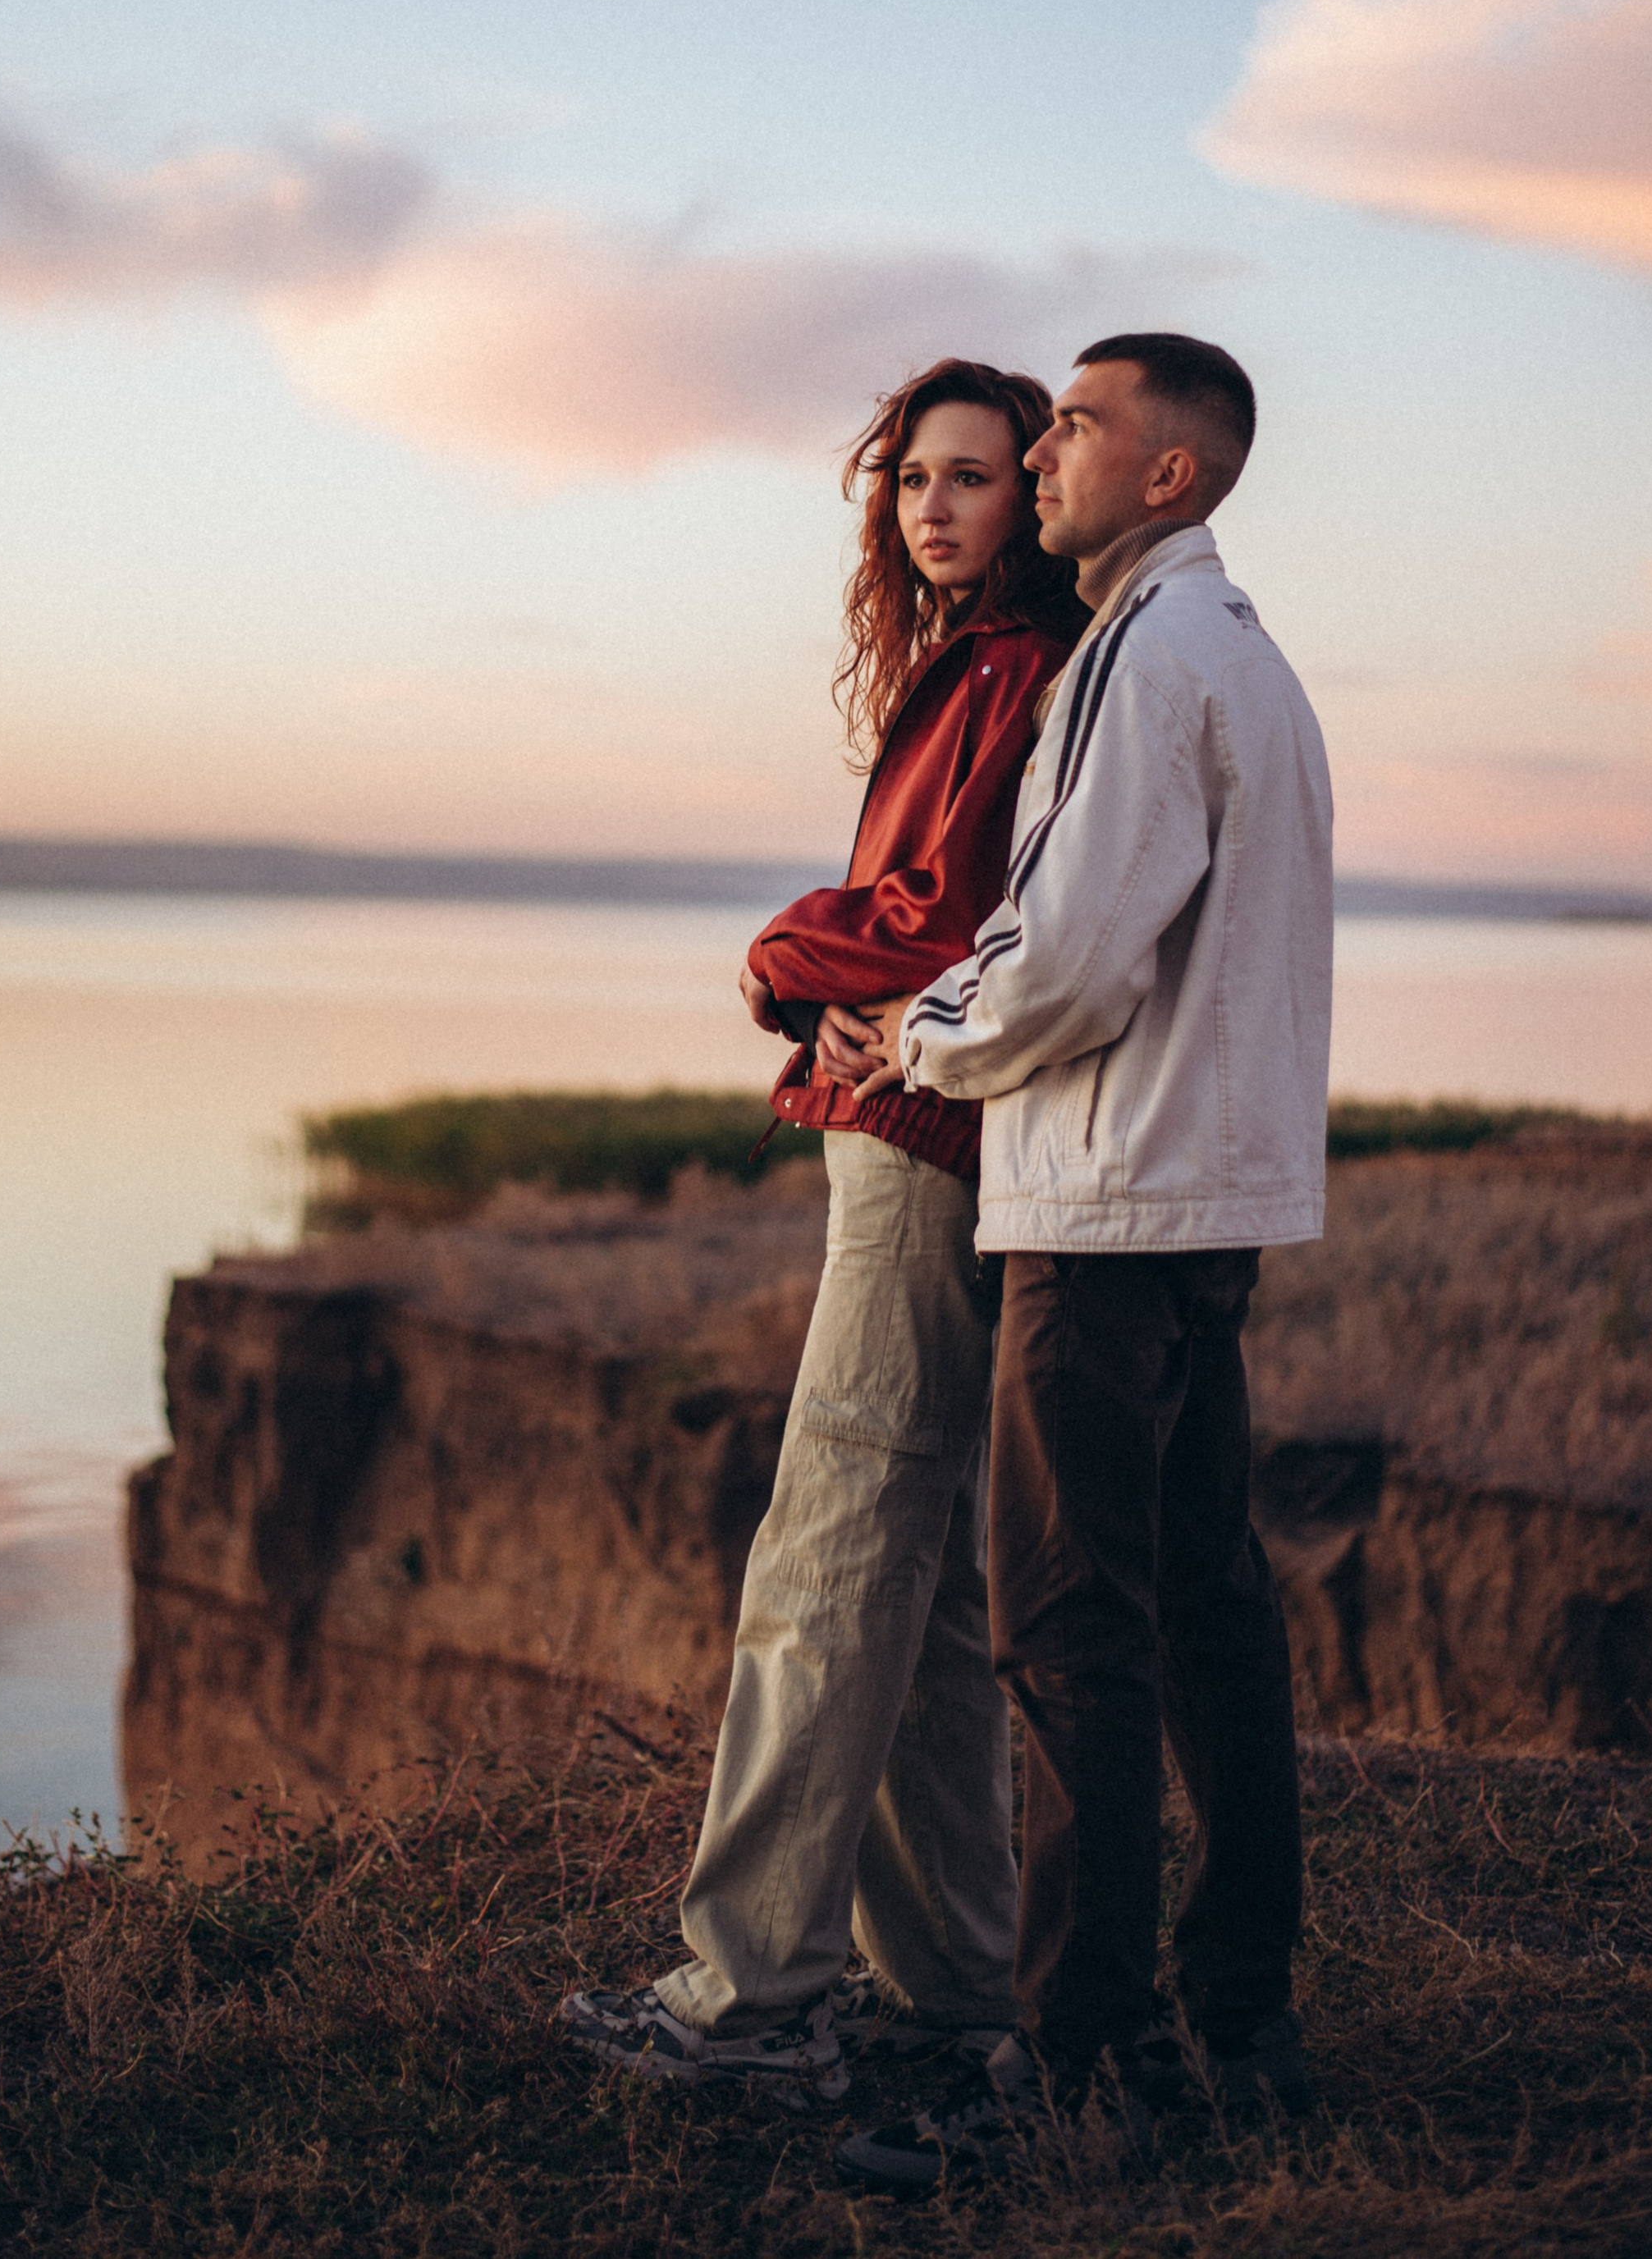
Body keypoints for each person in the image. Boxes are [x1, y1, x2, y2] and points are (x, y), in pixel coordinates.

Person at [829, 334, 1334, 2197]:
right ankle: (1242, 2026)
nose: (1038, 453)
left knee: (1067, 1640)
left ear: (1170, 475)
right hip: (1204, 1210)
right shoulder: (1246, 660)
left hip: (1104, 1215)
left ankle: (1080, 2073)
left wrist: (912, 1037)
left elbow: (1061, 957)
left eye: (1074, 428)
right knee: (1208, 1619)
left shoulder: (1145, 662)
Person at [561, 356, 1087, 2110]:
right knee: (914, 1587)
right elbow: (929, 937)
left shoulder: (1010, 672)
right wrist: (836, 984)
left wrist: (781, 963)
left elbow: (932, 918)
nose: (933, 505)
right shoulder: (971, 668)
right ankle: (948, 1987)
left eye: (973, 476)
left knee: (826, 1560)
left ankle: (743, 2000)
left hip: (923, 1142)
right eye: (913, 479)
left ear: (1036, 493)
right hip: (925, 1126)